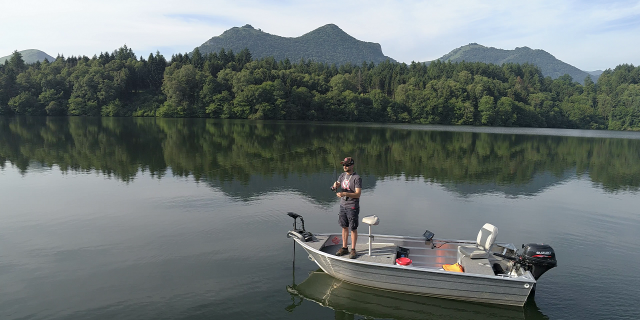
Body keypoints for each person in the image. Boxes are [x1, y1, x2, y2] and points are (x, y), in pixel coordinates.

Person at [331, 157, 362, 259]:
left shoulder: (356, 178)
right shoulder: (342, 175)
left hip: (352, 206)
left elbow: (358, 194)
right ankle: (344, 248)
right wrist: (335, 186)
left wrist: (344, 193)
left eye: (347, 165)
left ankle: (353, 249)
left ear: (352, 165)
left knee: (353, 228)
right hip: (343, 205)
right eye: (344, 165)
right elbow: (338, 183)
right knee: (344, 227)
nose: (345, 166)